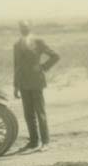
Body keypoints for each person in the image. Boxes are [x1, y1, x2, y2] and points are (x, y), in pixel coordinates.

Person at [13, 20, 60, 152]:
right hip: (23, 83)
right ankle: (34, 142)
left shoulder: (38, 41)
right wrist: (15, 86)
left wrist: (43, 67)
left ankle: (45, 142)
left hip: (36, 81)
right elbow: (16, 66)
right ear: (19, 28)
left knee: (40, 113)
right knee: (28, 114)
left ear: (30, 27)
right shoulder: (16, 45)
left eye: (26, 26)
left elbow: (55, 56)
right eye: (21, 26)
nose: (24, 28)